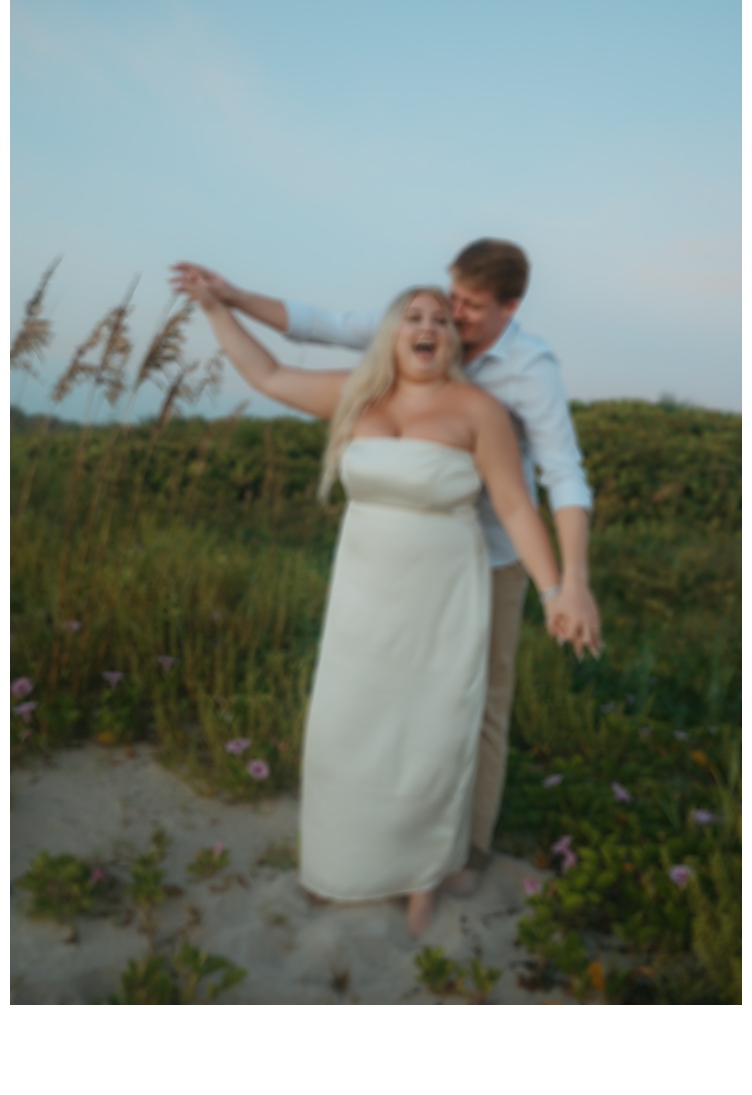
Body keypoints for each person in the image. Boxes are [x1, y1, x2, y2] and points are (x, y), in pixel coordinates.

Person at [170, 240, 601, 896]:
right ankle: (357, 852)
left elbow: (541, 489)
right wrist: (221, 300)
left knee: (470, 707)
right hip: (371, 587)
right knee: (360, 714)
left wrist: (564, 586)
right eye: (432, 308)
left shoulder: (519, 377)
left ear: (510, 308)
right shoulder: (364, 389)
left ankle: (462, 852)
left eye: (463, 309)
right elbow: (293, 347)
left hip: (481, 561)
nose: (447, 319)